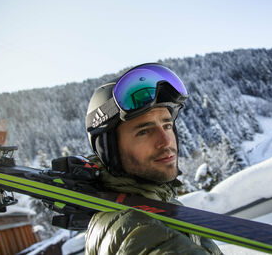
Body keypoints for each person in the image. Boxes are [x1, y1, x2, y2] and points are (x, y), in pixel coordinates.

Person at [84, 63, 222, 255]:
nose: (165, 142)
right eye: (144, 131)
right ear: (110, 150)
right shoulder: (135, 232)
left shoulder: (159, 205)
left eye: (167, 126)